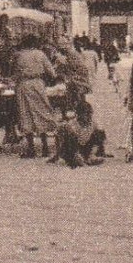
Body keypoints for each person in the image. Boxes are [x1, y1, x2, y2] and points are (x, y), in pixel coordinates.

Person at [11, 30, 58, 159]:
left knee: (25, 114)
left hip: (23, 85)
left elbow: (15, 73)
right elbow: (52, 73)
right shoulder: (40, 54)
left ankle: (31, 148)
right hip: (38, 85)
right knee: (41, 113)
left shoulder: (19, 55)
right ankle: (45, 148)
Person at [50, 100, 107, 168]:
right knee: (69, 135)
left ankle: (91, 156)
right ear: (79, 115)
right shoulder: (72, 124)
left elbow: (97, 140)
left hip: (86, 149)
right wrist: (57, 154)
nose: (88, 116)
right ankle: (77, 158)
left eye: (89, 114)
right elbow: (59, 137)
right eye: (85, 114)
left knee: (100, 133)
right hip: (74, 150)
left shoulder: (93, 124)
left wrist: (98, 150)